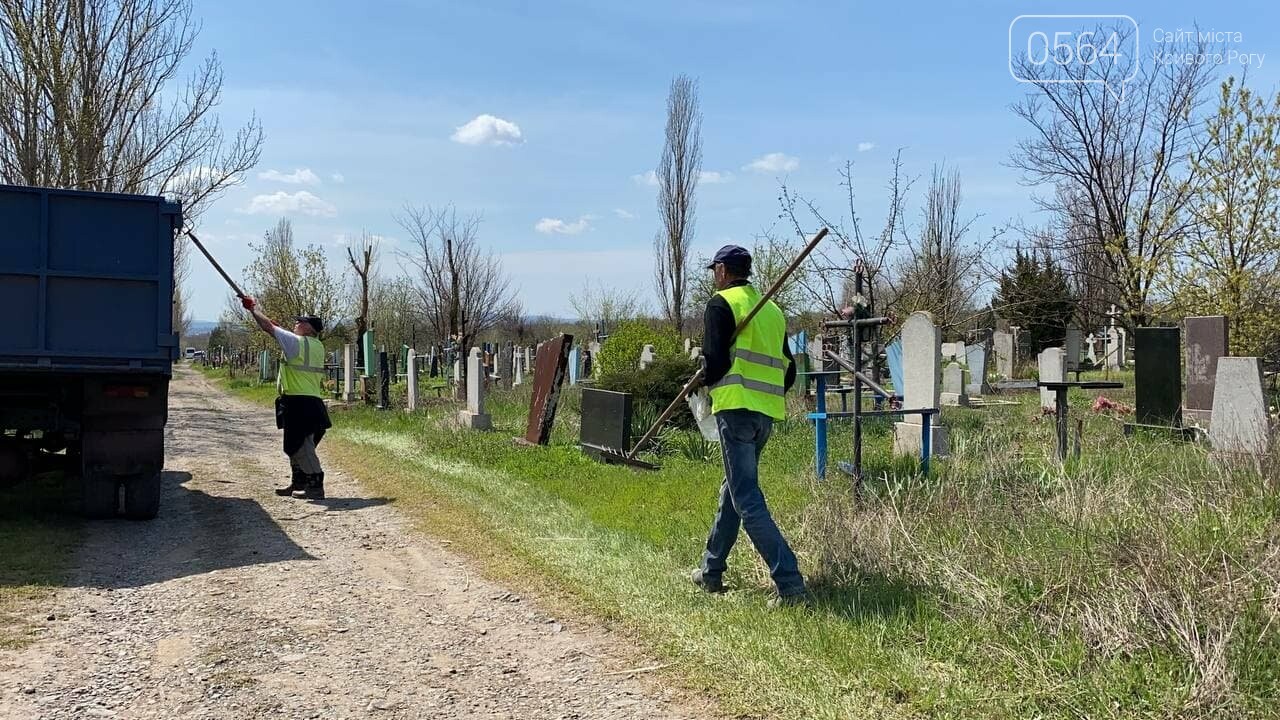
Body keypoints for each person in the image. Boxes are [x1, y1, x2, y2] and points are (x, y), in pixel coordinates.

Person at [691, 245, 807, 606]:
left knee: (747, 499)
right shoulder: (771, 310)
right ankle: (711, 571)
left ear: (723, 270)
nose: (714, 277)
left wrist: (703, 377)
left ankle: (789, 583)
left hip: (736, 410)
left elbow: (714, 362)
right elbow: (789, 369)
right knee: (734, 490)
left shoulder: (721, 304)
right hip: (765, 413)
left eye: (714, 271)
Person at [241, 296, 332, 499]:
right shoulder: (315, 345)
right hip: (311, 402)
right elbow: (278, 329)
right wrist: (266, 318)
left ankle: (315, 485)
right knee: (295, 445)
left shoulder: (296, 343)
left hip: (299, 402)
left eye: (301, 321)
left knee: (301, 446)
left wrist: (253, 309)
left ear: (309, 329)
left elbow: (268, 327)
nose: (296, 323)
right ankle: (298, 482)